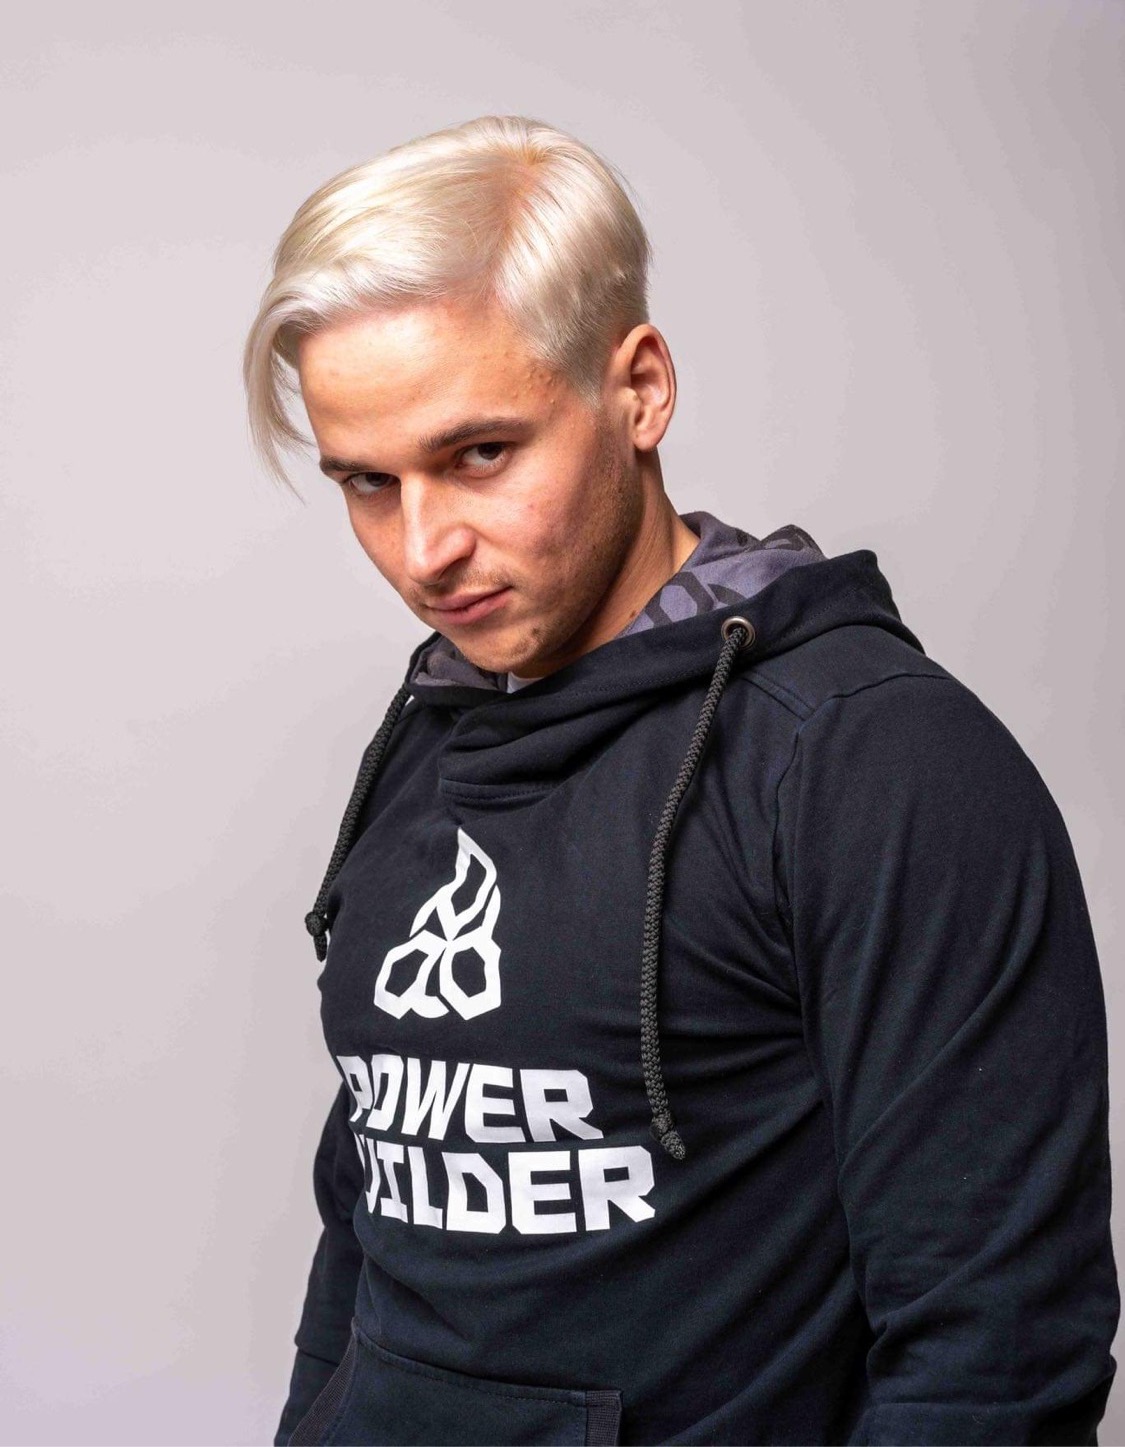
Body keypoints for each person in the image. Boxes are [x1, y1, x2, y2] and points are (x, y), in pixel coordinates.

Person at [243, 115, 1119, 1447]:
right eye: (369, 482)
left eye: (479, 454)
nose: (423, 550)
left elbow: (997, 1349)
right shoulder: (432, 736)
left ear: (640, 389)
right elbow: (371, 1226)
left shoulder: (873, 763)